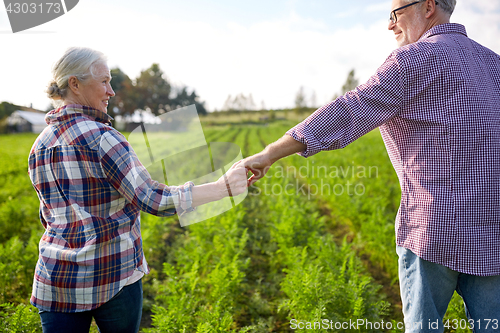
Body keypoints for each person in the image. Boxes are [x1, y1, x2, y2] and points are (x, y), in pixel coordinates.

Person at [244, 0, 500, 332]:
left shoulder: (413, 59)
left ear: (428, 6)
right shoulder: (492, 63)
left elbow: (349, 110)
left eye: (396, 14)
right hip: (492, 229)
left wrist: (270, 153)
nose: (390, 25)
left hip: (434, 231)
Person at [28, 47, 248, 333]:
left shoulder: (40, 145)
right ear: (74, 83)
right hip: (112, 276)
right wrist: (221, 188)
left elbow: (49, 216)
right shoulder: (103, 138)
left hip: (55, 278)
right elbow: (154, 200)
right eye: (105, 81)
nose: (112, 91)